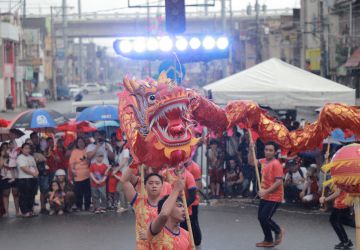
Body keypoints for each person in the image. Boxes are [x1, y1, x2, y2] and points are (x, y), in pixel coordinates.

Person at [248, 141, 285, 247]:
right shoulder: (264, 161)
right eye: (266, 150)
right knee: (261, 217)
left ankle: (278, 230)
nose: (268, 152)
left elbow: (279, 182)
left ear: (275, 152)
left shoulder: (276, 164)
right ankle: (268, 239)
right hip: (265, 195)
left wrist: (265, 191)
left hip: (275, 196)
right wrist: (251, 150)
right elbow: (251, 162)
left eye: (270, 150)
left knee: (264, 217)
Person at [121, 168, 165, 249]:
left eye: (157, 183)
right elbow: (124, 181)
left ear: (162, 186)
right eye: (150, 183)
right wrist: (134, 162)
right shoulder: (138, 201)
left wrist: (149, 235)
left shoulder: (167, 205)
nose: (154, 186)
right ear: (145, 186)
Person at [147, 178, 191, 250]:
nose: (184, 210)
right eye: (180, 206)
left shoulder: (187, 234)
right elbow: (164, 214)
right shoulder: (156, 230)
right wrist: (176, 189)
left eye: (184, 207)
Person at [16, 143, 39, 218]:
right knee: (24, 196)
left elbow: (35, 166)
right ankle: (25, 211)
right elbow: (24, 168)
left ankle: (30, 210)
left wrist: (36, 172)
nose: (27, 150)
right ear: (22, 149)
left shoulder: (31, 157)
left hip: (32, 179)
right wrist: (33, 174)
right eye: (25, 148)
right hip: (24, 179)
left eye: (28, 148)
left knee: (31, 195)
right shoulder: (20, 157)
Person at [69, 137, 91, 211]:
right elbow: (71, 163)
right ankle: (79, 206)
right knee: (78, 192)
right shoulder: (74, 151)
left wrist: (87, 160)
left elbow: (89, 161)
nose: (81, 143)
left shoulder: (87, 149)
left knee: (87, 192)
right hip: (77, 175)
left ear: (84, 142)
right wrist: (72, 170)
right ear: (77, 143)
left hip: (87, 174)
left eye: (82, 142)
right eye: (79, 142)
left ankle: (87, 206)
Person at [184, 160, 203, 246]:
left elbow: (199, 185)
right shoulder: (177, 167)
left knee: (193, 222)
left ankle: (196, 240)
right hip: (181, 201)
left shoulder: (195, 168)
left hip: (193, 201)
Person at [0, 141, 20, 217]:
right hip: (4, 176)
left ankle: (17, 212)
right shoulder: (1, 157)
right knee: (5, 194)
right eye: (3, 148)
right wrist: (2, 157)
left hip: (15, 176)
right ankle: (6, 212)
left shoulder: (14, 154)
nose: (5, 149)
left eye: (7, 147)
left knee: (16, 194)